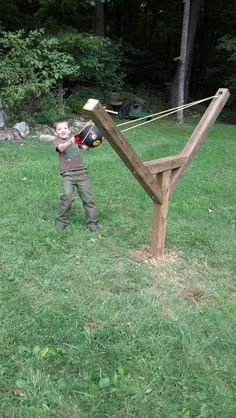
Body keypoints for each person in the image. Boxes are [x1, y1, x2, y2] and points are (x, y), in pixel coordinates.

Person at [53, 120, 98, 232]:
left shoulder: (76, 140)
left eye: (65, 128)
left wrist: (96, 139)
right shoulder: (57, 141)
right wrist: (71, 141)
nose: (62, 130)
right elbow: (61, 148)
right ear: (56, 132)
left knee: (88, 199)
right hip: (68, 174)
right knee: (67, 196)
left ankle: (92, 224)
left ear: (69, 130)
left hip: (82, 173)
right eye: (59, 129)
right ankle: (61, 221)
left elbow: (86, 147)